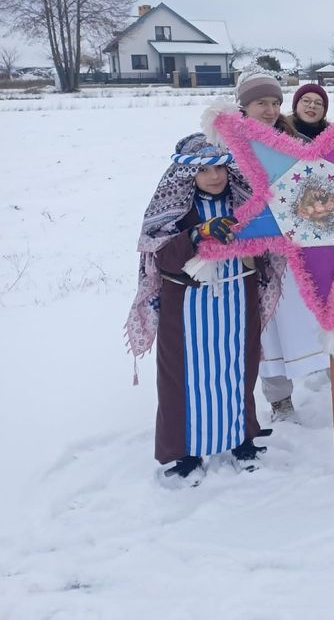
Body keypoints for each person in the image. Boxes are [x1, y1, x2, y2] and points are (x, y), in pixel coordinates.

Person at [233, 67, 334, 420]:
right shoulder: (230, 149)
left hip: (307, 254)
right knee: (268, 330)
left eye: (275, 102)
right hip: (260, 259)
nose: (271, 110)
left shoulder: (297, 145)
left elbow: (327, 187)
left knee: (328, 315)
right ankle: (279, 401)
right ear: (244, 106)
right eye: (261, 103)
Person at [124, 134, 272, 483]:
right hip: (189, 307)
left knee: (239, 370)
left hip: (237, 300)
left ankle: (242, 440)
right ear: (188, 174)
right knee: (183, 380)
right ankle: (185, 452)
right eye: (205, 170)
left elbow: (268, 244)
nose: (215, 177)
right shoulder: (175, 207)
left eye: (220, 167)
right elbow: (159, 257)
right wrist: (197, 234)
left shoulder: (243, 200)